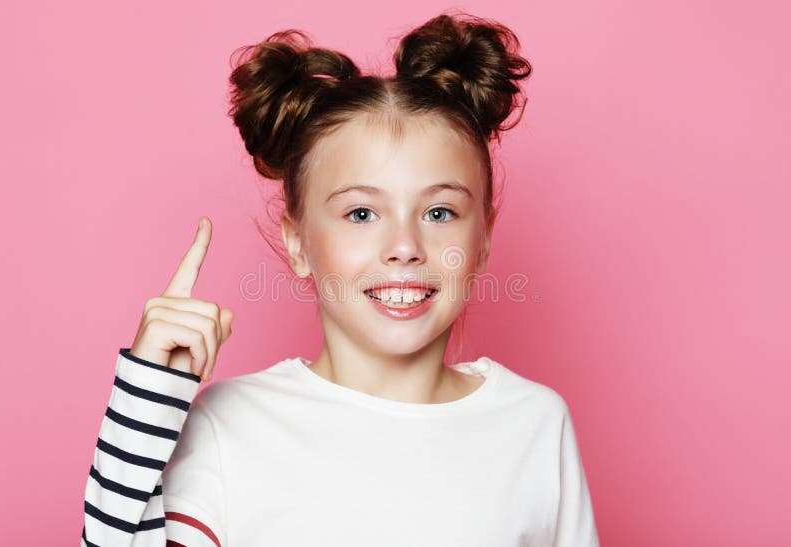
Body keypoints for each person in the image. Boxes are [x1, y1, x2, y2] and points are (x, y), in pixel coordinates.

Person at [80, 12, 600, 547]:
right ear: (298, 242)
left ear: (483, 237)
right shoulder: (229, 429)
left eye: (440, 213)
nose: (404, 248)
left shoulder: (534, 424)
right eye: (361, 214)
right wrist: (145, 399)